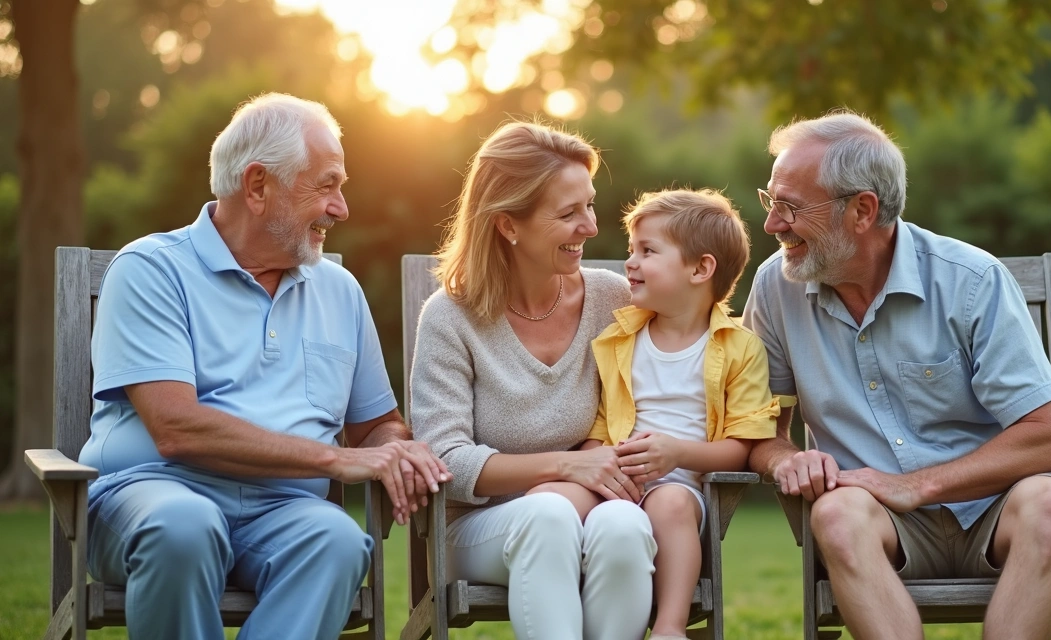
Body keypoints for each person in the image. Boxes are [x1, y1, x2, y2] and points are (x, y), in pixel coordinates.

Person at [79, 93, 448, 640]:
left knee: (339, 542)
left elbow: (375, 424)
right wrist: (335, 460)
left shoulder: (338, 290)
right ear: (256, 186)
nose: (341, 208)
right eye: (326, 185)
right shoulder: (151, 270)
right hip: (152, 496)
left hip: (282, 511)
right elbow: (175, 428)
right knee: (185, 527)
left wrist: (396, 448)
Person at [744, 111, 1051, 640]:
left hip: (996, 510)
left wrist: (918, 484)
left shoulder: (972, 281)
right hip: (878, 520)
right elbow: (757, 430)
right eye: (772, 201)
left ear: (862, 210)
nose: (772, 224)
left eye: (790, 207)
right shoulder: (776, 287)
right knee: (836, 514)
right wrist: (789, 459)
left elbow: (1049, 438)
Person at [410, 121, 656, 640]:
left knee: (627, 527)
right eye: (568, 213)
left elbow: (677, 371)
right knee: (546, 517)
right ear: (508, 225)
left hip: (591, 509)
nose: (590, 226)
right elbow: (445, 460)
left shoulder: (614, 302)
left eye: (589, 205)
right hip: (477, 530)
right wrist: (567, 466)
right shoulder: (450, 318)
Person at [580, 189, 780, 640]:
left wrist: (676, 454)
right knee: (575, 506)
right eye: (632, 249)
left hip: (683, 489)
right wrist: (599, 462)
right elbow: (596, 421)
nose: (630, 262)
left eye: (647, 251)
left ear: (700, 268)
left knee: (668, 503)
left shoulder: (738, 347)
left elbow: (741, 448)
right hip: (617, 479)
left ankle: (670, 627)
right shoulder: (619, 339)